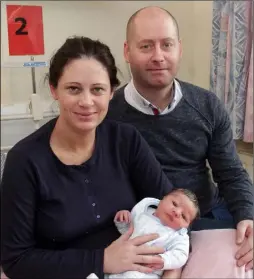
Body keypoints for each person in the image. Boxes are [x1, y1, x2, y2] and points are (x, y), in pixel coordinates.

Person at [1, 36, 179, 279]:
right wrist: (103, 260)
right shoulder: (24, 160)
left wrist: (172, 271)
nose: (87, 102)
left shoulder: (126, 140)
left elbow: (171, 210)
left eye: (97, 89)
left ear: (111, 93)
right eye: (73, 89)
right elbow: (15, 260)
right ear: (54, 90)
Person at [106, 5, 254, 276]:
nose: (158, 56)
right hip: (141, 226)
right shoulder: (106, 113)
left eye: (167, 45)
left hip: (205, 217)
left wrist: (248, 216)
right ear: (127, 51)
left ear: (179, 49)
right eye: (146, 46)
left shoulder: (207, 106)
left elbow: (231, 173)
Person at [108, 189, 200, 279]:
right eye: (174, 204)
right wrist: (123, 220)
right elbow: (127, 232)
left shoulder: (178, 236)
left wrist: (163, 260)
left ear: (186, 226)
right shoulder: (143, 211)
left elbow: (181, 255)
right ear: (163, 199)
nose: (177, 212)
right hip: (122, 264)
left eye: (184, 216)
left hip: (146, 272)